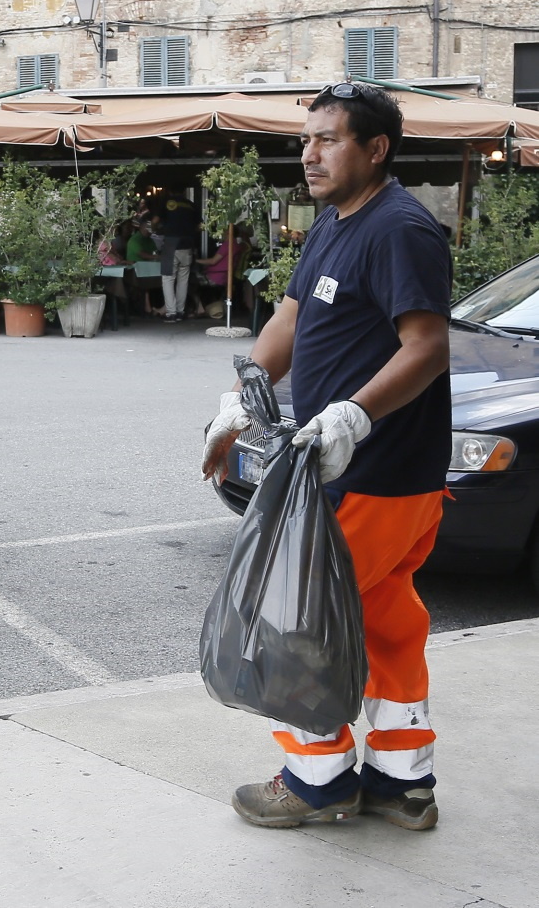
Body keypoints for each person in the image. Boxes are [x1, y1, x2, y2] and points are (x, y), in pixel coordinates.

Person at [201, 82, 451, 832]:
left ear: (375, 149)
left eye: (328, 139)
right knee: (386, 621)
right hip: (369, 475)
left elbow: (428, 346)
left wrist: (352, 413)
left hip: (369, 473)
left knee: (297, 621)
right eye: (306, 139)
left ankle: (315, 779)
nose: (309, 153)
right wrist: (243, 395)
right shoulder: (334, 224)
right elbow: (294, 313)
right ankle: (402, 779)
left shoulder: (400, 228)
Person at [157, 189, 199, 322]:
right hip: (187, 244)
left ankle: (171, 313)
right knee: (183, 279)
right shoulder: (191, 205)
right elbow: (200, 226)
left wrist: (156, 229)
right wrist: (189, 232)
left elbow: (155, 220)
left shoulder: (166, 202)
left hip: (170, 244)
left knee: (168, 279)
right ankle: (180, 312)